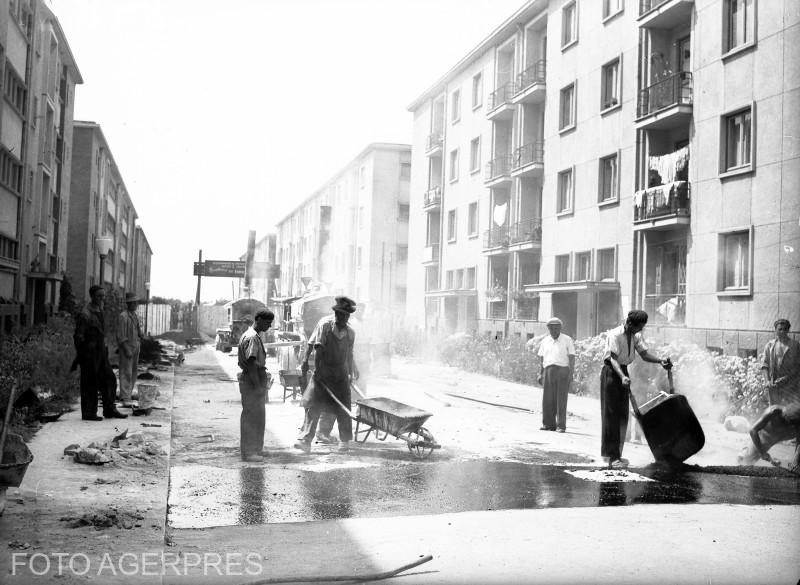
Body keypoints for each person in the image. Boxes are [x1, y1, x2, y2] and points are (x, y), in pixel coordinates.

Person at [600, 310, 670, 468]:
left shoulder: (636, 335)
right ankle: (612, 457)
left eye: (642, 328)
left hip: (623, 371)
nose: (640, 330)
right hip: (611, 372)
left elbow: (644, 354)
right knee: (612, 416)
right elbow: (612, 358)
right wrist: (622, 376)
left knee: (623, 415)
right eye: (638, 327)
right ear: (629, 323)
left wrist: (660, 361)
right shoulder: (615, 335)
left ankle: (616, 454)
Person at [295, 296, 359, 453]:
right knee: (314, 406)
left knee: (343, 406)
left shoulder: (350, 332)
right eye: (340, 314)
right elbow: (318, 351)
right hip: (324, 369)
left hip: (341, 372)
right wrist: (317, 372)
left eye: (346, 315)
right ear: (336, 313)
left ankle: (344, 442)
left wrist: (350, 373)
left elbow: (349, 355)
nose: (343, 318)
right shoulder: (325, 326)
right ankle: (305, 440)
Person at [73, 285, 127, 421]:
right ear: (92, 296)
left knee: (109, 379)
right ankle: (89, 412)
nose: (102, 298)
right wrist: (82, 354)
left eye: (103, 296)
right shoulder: (85, 313)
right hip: (90, 352)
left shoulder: (100, 310)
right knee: (90, 382)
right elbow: (78, 336)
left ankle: (109, 409)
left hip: (101, 350)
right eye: (99, 296)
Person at [237, 309, 274, 463]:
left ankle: (256, 449)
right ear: (258, 320)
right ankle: (249, 452)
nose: (269, 326)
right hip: (252, 380)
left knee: (258, 417)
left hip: (254, 378)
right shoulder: (252, 337)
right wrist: (258, 385)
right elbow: (252, 363)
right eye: (267, 322)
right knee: (252, 417)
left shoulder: (253, 335)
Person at [536, 317, 575, 433]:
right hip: (548, 370)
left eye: (556, 327)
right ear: (548, 328)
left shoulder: (567, 339)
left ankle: (561, 426)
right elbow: (542, 358)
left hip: (562, 370)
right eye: (551, 327)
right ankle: (548, 424)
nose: (554, 329)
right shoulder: (545, 341)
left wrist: (571, 373)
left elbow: (572, 357)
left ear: (560, 328)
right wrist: (540, 373)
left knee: (561, 399)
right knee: (547, 399)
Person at [738, 403, 800, 473]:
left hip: (777, 438)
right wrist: (762, 452)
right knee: (747, 461)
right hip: (764, 437)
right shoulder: (774, 412)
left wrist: (795, 463)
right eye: (794, 428)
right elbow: (753, 430)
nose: (794, 429)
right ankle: (742, 455)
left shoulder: (797, 423)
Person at [760, 318, 800, 406]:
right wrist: (767, 381)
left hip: (790, 387)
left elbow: (798, 367)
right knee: (774, 412)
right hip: (773, 387)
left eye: (785, 329)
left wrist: (785, 379)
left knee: (788, 413)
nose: (782, 331)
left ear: (788, 330)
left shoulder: (795, 345)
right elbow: (764, 364)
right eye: (780, 329)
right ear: (775, 330)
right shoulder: (770, 345)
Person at [116, 292, 142, 407]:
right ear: (129, 303)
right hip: (127, 347)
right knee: (126, 371)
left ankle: (129, 393)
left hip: (135, 346)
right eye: (134, 302)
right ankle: (125, 396)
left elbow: (137, 330)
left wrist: (141, 337)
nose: (136, 304)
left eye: (136, 302)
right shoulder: (123, 316)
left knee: (133, 371)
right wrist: (126, 349)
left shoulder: (134, 315)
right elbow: (121, 335)